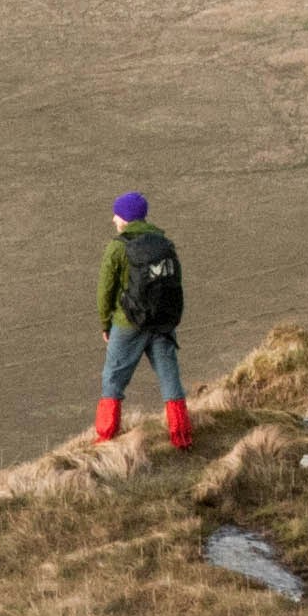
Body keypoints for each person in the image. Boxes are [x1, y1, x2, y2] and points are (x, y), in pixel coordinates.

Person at [95, 192, 188, 450]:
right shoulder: (164, 243)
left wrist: (106, 324)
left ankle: (105, 438)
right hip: (161, 322)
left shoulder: (118, 247)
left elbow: (105, 290)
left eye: (117, 214)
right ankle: (181, 436)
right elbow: (175, 283)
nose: (113, 218)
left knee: (113, 379)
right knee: (170, 378)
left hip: (128, 324)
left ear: (125, 218)